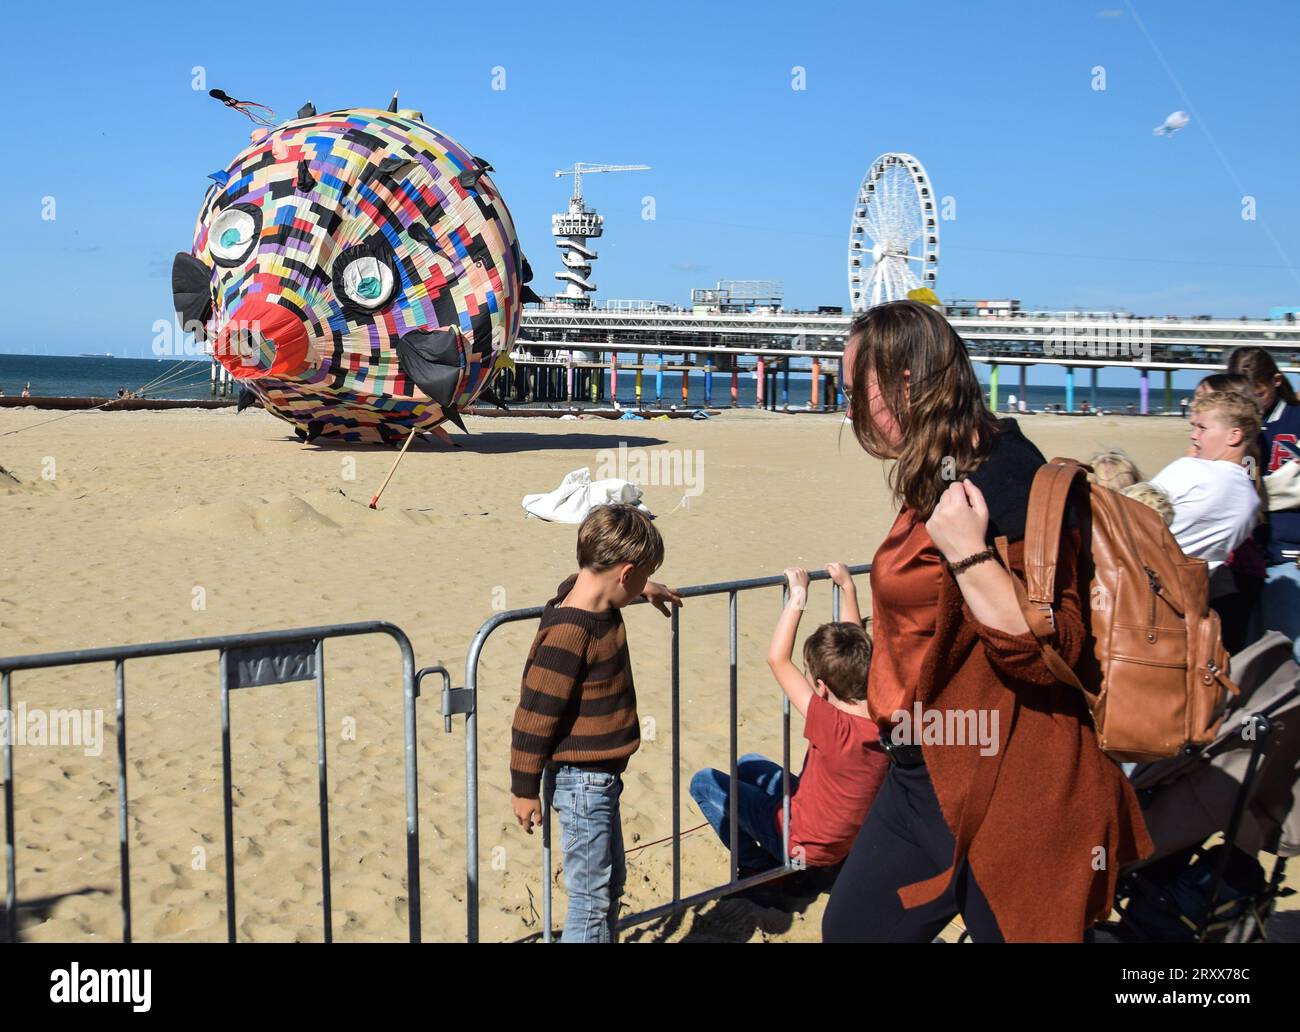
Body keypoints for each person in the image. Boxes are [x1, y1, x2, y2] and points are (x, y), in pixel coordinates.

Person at [821, 300, 1151, 943]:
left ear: (905, 384)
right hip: (924, 774)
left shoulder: (1007, 478)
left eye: (853, 390)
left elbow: (1055, 642)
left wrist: (970, 555)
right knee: (855, 930)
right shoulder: (943, 473)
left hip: (1010, 789)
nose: (848, 409)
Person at [509, 503, 682, 942]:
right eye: (640, 577)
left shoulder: (590, 594)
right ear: (625, 574)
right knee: (589, 901)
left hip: (600, 780)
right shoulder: (571, 630)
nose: (642, 584)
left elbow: (588, 580)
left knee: (608, 888)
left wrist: (648, 588)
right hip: (581, 783)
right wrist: (523, 788)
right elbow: (533, 714)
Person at [688, 562, 886, 879]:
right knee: (749, 764)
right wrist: (848, 588)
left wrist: (798, 596)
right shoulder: (883, 713)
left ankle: (757, 867)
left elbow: (778, 659)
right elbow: (856, 654)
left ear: (821, 687)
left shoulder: (833, 724)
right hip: (842, 838)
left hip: (803, 846)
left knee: (703, 782)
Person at [1149, 391, 1262, 605]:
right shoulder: (1251, 502)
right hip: (1188, 596)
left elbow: (1131, 512)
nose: (1193, 435)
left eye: (1202, 428)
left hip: (1142, 580)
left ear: (1233, 436)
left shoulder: (1191, 469)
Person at [1228, 346, 1300, 659]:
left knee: (1291, 651)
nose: (1254, 403)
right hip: (1246, 558)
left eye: (1258, 393)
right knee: (1247, 654)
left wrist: (1265, 495)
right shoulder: (1236, 428)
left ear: (1275, 381)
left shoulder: (1296, 419)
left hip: (1289, 555)